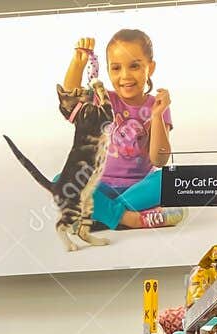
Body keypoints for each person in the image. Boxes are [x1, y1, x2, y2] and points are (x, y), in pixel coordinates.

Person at [63, 29, 183, 230]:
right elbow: (70, 96)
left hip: (139, 188)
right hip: (99, 186)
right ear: (108, 70)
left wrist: (156, 115)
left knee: (170, 178)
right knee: (62, 181)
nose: (125, 76)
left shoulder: (157, 105)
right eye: (116, 68)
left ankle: (101, 216)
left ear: (150, 68)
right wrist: (78, 61)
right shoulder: (103, 99)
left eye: (134, 66)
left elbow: (159, 160)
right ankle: (129, 219)